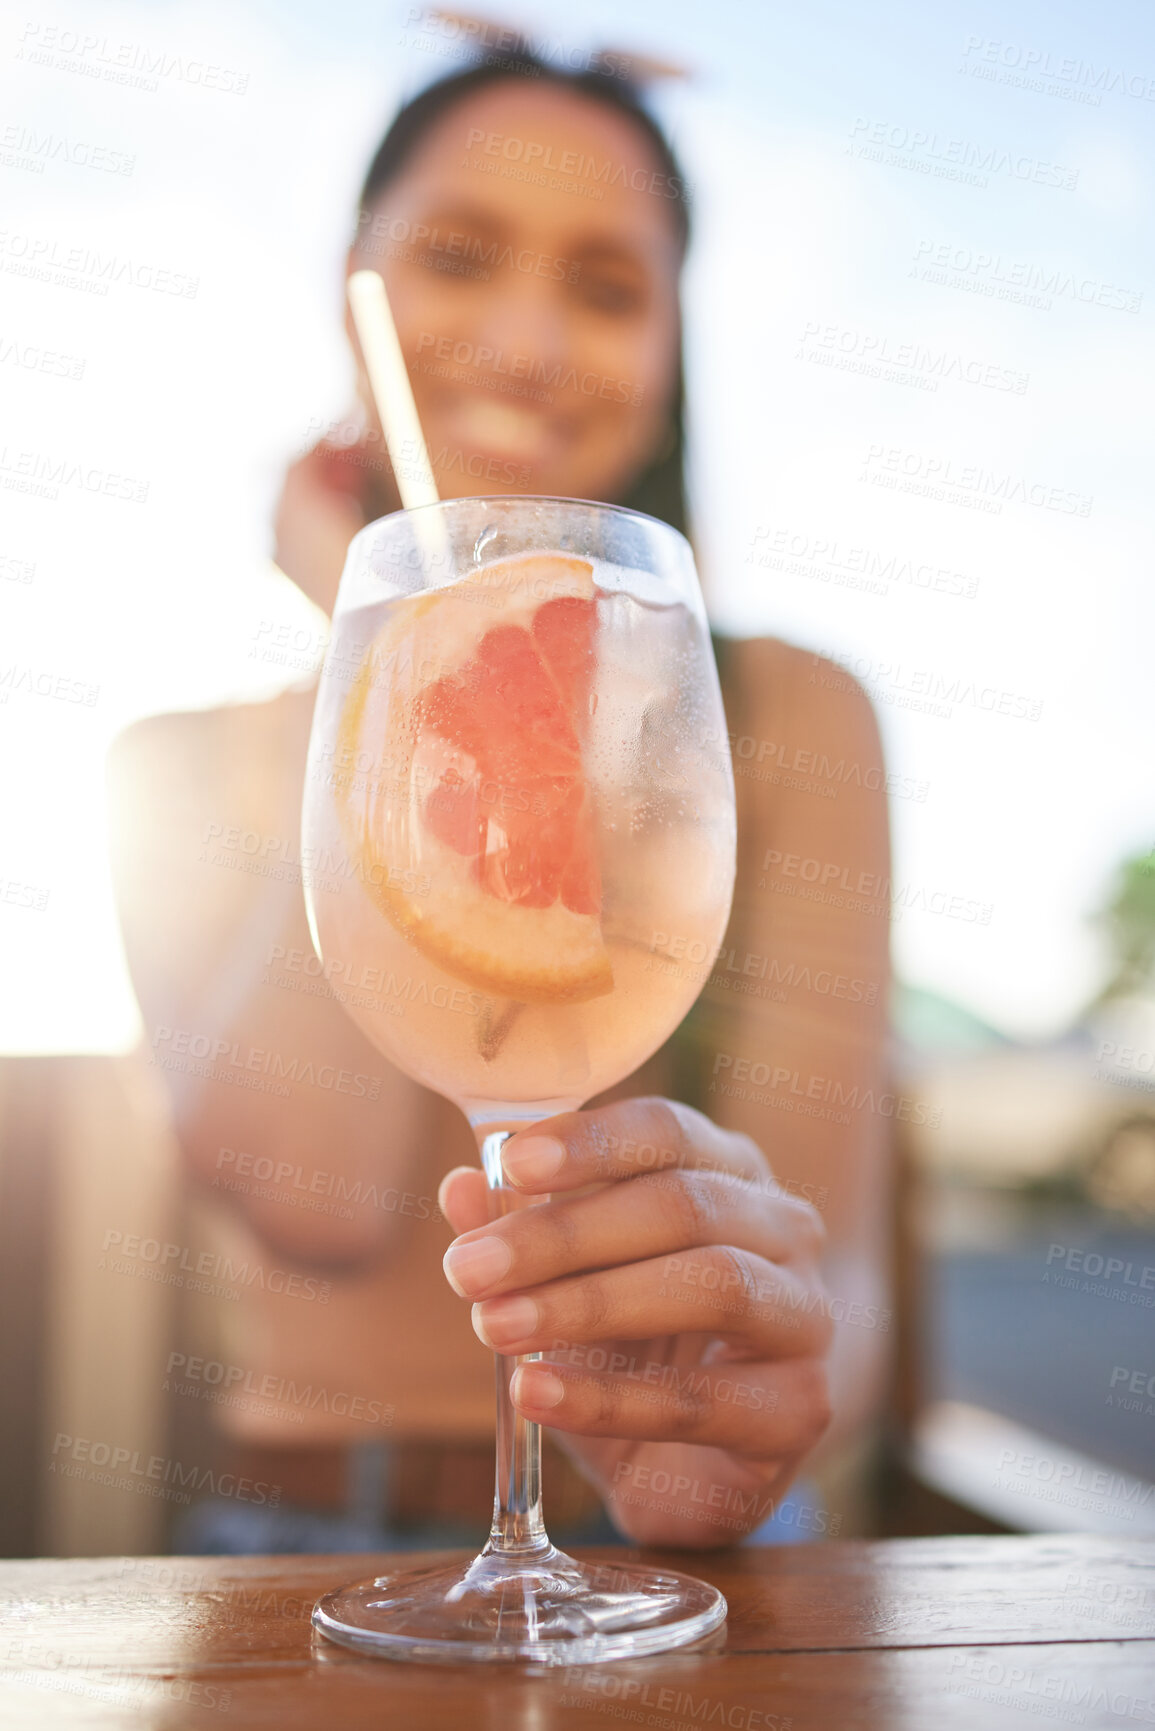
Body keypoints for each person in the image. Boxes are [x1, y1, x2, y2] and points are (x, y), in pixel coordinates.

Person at [109, 52, 891, 1552]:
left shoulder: (780, 723)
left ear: (670, 347)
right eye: (458, 259)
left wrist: (743, 1404)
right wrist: (378, 636)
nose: (530, 343)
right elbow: (316, 1199)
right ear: (357, 292)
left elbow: (836, 1282)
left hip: (667, 1555)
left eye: (605, 288)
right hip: (292, 1554)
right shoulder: (171, 765)